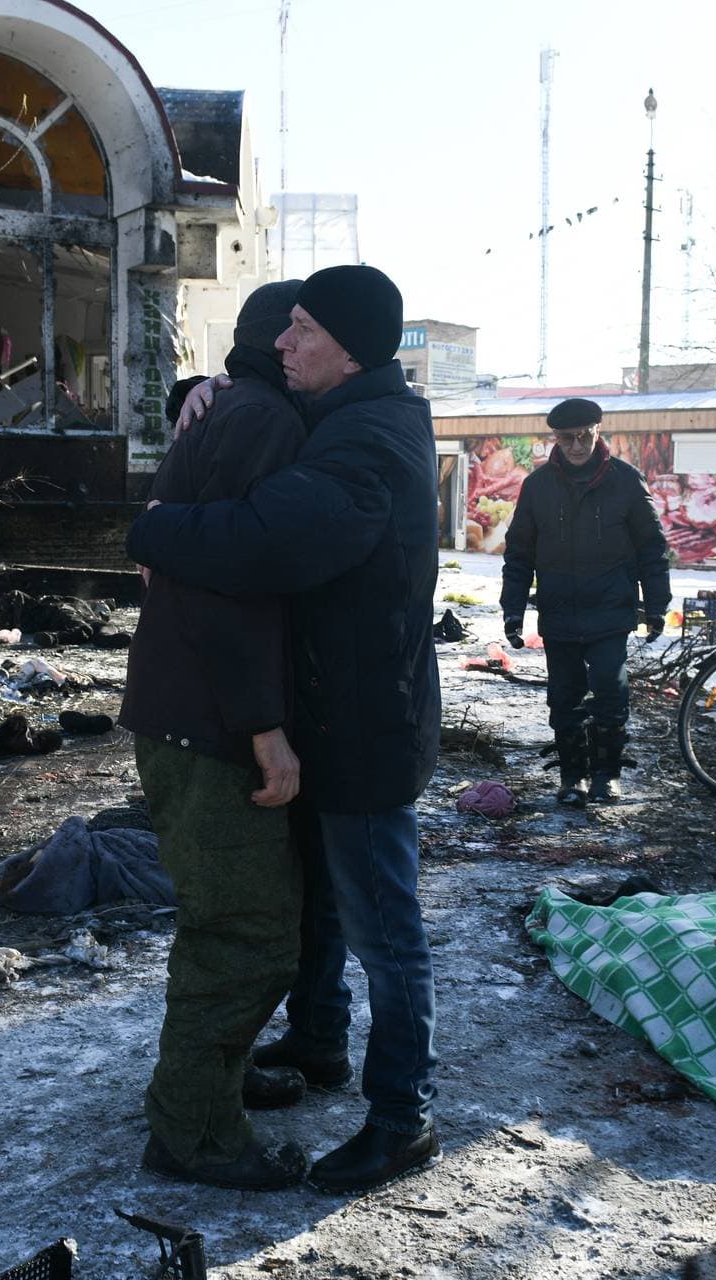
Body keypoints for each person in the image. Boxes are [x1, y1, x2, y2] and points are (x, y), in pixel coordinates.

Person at [128, 264, 442, 1195]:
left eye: (301, 330)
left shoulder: (366, 448)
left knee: (385, 933)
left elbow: (263, 537)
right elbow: (253, 416)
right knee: (321, 908)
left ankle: (402, 1117)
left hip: (364, 733)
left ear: (350, 351)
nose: (281, 344)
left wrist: (153, 529)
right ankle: (316, 1046)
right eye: (285, 329)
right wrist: (204, 392)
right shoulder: (343, 415)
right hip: (333, 720)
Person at [118, 281, 312, 1191]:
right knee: (244, 933)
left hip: (181, 709)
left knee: (233, 923)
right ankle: (194, 1131)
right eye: (310, 329)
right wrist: (263, 730)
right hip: (206, 722)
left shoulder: (226, 409)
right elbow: (226, 591)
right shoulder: (262, 421)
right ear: (284, 344)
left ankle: (212, 1083)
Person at [500, 398, 671, 806]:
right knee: (564, 697)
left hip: (611, 609)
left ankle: (607, 776)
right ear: (554, 438)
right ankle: (572, 777)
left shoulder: (626, 481)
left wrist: (658, 604)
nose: (577, 446)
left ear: (598, 431)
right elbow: (519, 552)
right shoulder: (537, 487)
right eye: (566, 438)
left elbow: (652, 547)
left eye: (584, 436)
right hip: (560, 611)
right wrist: (513, 608)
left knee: (611, 691)